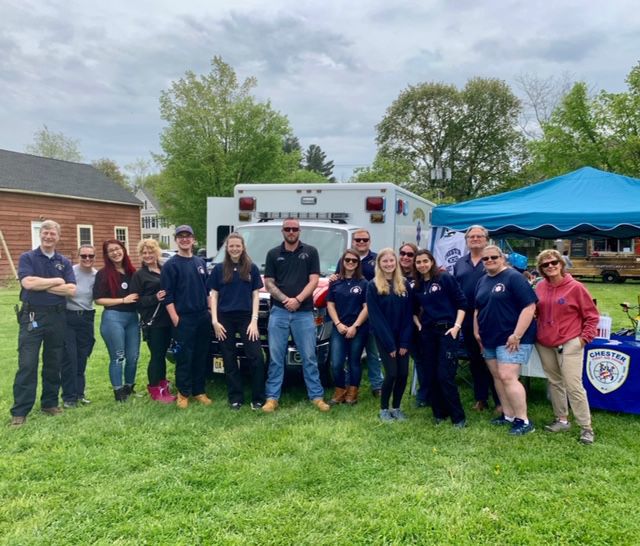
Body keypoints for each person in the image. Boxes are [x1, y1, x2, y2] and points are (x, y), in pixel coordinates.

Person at [10, 220, 76, 427]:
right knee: (27, 364)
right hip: (32, 317)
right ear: (41, 234)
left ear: (58, 236)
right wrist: (57, 282)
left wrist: (42, 285)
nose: (49, 237)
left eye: (53, 234)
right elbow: (27, 283)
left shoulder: (63, 262)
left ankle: (49, 403)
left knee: (53, 361)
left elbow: (71, 290)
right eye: (46, 233)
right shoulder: (28, 257)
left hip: (57, 317)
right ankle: (20, 411)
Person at [262, 218, 330, 412]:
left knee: (309, 356)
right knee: (276, 357)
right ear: (282, 231)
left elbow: (314, 280)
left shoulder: (310, 252)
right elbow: (269, 282)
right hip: (279, 312)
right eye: (287, 229)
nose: (291, 232)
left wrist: (298, 300)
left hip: (304, 313)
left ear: (299, 231)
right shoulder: (273, 254)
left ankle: (316, 396)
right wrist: (285, 300)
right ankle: (272, 398)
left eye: (294, 229)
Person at [535, 249, 599, 444]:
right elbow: (534, 311)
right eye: (545, 264)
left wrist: (583, 339)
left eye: (554, 262)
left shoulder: (576, 287)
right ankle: (561, 419)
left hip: (570, 341)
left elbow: (592, 316)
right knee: (554, 382)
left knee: (573, 385)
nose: (551, 266)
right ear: (541, 269)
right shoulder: (539, 287)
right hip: (545, 342)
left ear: (561, 263)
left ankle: (586, 427)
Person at [474, 245, 537, 436]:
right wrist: (477, 333)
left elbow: (529, 307)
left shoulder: (513, 277)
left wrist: (517, 334)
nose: (490, 260)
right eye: (485, 259)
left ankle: (523, 420)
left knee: (508, 376)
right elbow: (477, 309)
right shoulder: (482, 280)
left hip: (512, 338)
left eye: (494, 257)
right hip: (488, 337)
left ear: (502, 258)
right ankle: (508, 415)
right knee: (498, 377)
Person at [208, 232, 265, 410]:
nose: (234, 249)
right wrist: (215, 322)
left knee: (256, 357)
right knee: (229, 358)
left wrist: (254, 321)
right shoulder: (218, 269)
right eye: (231, 246)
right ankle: (235, 397)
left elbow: (256, 296)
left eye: (237, 246)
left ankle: (258, 398)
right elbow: (214, 295)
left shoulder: (251, 268)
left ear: (243, 247)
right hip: (224, 318)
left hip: (247, 318)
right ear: (227, 248)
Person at [413, 249, 467, 427]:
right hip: (428, 334)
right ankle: (439, 414)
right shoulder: (418, 285)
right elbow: (413, 310)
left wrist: (456, 327)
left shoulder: (444, 278)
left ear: (432, 261)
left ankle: (458, 417)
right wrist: (419, 325)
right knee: (430, 374)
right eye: (418, 262)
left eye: (425, 261)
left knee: (445, 375)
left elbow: (461, 303)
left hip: (447, 331)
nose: (422, 265)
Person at [161, 225, 212, 409]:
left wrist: (210, 311)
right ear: (176, 240)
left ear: (193, 239)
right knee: (184, 357)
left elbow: (207, 290)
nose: (184, 239)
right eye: (181, 236)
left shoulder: (200, 262)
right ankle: (183, 393)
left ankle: (199, 391)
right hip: (183, 318)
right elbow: (168, 295)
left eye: (187, 236)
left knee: (201, 355)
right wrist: (175, 318)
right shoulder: (170, 265)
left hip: (202, 316)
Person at [453, 225, 500, 413]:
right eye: (471, 236)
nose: (475, 239)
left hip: (489, 316)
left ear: (486, 239)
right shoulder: (460, 263)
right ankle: (481, 398)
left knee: (494, 359)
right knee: (475, 359)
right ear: (466, 240)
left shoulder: (493, 260)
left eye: (479, 236)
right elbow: (455, 290)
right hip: (466, 317)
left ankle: (499, 400)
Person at [367, 248, 413, 421]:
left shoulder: (404, 284)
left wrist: (404, 343)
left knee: (403, 374)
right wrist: (390, 345)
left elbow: (408, 315)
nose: (389, 264)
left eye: (391, 261)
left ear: (396, 263)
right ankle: (384, 409)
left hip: (403, 337)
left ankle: (396, 407)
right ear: (379, 264)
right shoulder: (373, 285)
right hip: (384, 337)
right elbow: (376, 318)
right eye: (385, 261)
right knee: (392, 373)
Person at [94, 239, 140, 402]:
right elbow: (98, 299)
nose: (115, 252)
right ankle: (118, 391)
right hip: (114, 317)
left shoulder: (132, 272)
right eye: (110, 251)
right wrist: (122, 300)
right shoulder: (103, 274)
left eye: (117, 249)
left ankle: (129, 387)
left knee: (133, 356)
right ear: (107, 255)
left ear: (123, 250)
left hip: (133, 318)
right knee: (118, 356)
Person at [130, 238, 175, 404]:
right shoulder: (139, 275)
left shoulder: (165, 269)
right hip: (154, 322)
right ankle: (155, 388)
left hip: (169, 319)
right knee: (156, 356)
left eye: (150, 252)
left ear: (157, 252)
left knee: (163, 355)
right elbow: (137, 301)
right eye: (144, 253)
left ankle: (164, 386)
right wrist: (155, 298)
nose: (147, 255)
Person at [326, 249, 369, 405]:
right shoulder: (335, 282)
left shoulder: (364, 283)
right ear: (342, 262)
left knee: (354, 361)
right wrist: (338, 324)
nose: (350, 263)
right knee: (336, 362)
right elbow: (330, 304)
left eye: (354, 261)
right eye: (347, 260)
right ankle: (340, 390)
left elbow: (367, 307)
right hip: (339, 328)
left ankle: (352, 392)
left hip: (358, 328)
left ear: (358, 264)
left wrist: (355, 326)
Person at [61, 244, 97, 408]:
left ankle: (79, 394)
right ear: (78, 256)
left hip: (87, 318)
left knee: (82, 356)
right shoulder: (70, 272)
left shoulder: (96, 275)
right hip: (69, 317)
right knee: (70, 358)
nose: (87, 259)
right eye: (84, 256)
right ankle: (69, 397)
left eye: (91, 256)